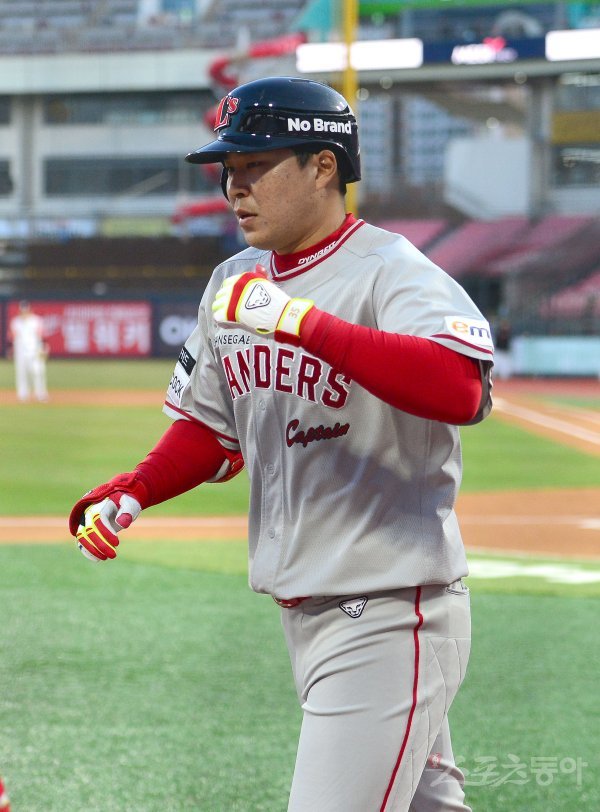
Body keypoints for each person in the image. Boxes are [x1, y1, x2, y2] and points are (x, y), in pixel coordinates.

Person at [69, 77, 494, 811]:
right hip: (307, 608)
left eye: (256, 165)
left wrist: (302, 324)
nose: (235, 186)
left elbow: (461, 388)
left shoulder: (389, 268)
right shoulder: (232, 281)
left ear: (324, 166)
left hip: (389, 607)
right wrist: (137, 487)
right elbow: (212, 429)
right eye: (228, 169)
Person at [8, 300, 49, 402]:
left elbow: (42, 336)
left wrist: (44, 349)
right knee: (21, 373)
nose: (24, 312)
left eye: (26, 310)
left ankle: (40, 394)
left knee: (37, 372)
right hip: (20, 351)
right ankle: (23, 395)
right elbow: (12, 337)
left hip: (35, 350)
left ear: (30, 310)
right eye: (23, 310)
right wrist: (11, 350)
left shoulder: (36, 321)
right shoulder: (15, 322)